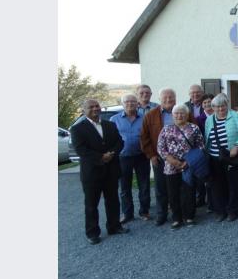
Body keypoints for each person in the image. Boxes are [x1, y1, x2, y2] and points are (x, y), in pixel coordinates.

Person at [71, 99, 129, 244]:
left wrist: (112, 154)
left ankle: (114, 226)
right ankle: (92, 233)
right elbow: (81, 149)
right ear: (84, 110)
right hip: (92, 172)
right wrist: (100, 158)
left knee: (113, 200)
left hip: (111, 169)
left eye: (97, 106)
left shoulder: (110, 124)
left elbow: (119, 142)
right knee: (91, 204)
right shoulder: (77, 129)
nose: (95, 109)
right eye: (91, 107)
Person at [140, 88, 188, 226]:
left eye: (171, 97)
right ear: (160, 99)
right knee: (161, 188)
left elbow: (193, 131)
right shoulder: (150, 115)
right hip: (160, 158)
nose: (168, 100)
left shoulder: (183, 112)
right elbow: (144, 138)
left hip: (183, 160)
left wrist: (189, 158)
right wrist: (151, 155)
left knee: (181, 187)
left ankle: (181, 214)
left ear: (175, 98)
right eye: (165, 98)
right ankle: (162, 214)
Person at [157, 104, 204, 229]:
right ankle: (177, 218)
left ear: (187, 114)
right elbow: (161, 148)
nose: (179, 115)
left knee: (188, 191)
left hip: (188, 166)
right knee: (173, 193)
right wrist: (171, 160)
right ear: (172, 115)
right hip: (171, 166)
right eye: (176, 113)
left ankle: (189, 217)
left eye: (182, 113)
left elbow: (200, 147)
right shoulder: (166, 129)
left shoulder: (194, 128)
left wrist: (187, 162)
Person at [204, 93, 238, 222]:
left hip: (232, 157)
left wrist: (237, 145)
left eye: (222, 106)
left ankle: (232, 211)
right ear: (213, 107)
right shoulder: (209, 120)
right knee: (217, 185)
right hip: (214, 158)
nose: (220, 109)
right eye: (217, 107)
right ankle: (220, 211)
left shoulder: (236, 117)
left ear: (226, 105)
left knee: (233, 185)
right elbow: (207, 138)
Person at [111, 94, 150, 222]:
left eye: (133, 101)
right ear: (123, 104)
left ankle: (144, 212)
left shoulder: (145, 118)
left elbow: (149, 136)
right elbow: (110, 139)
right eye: (127, 102)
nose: (130, 104)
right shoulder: (114, 119)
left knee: (144, 185)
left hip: (141, 156)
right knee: (124, 187)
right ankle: (127, 214)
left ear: (137, 103)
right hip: (123, 157)